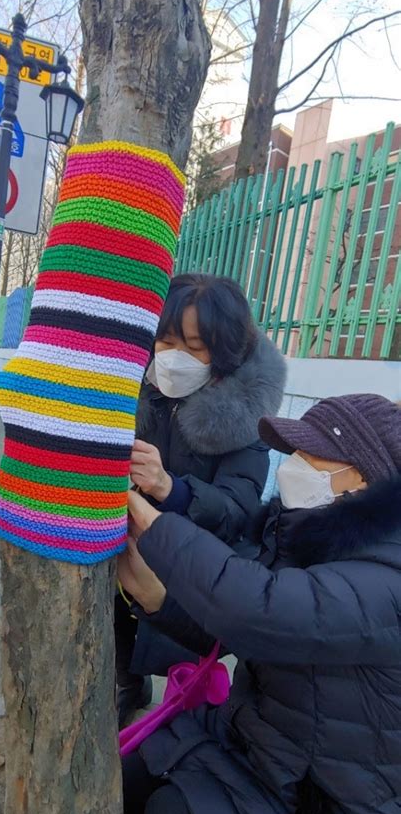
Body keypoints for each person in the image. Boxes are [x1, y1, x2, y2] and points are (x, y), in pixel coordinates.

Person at [118, 394, 401, 814]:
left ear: (359, 480)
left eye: (308, 455)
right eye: (290, 450)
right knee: (127, 777)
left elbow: (256, 607)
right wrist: (158, 600)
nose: (290, 465)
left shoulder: (388, 580)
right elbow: (235, 623)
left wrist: (153, 528)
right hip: (265, 747)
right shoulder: (311, 536)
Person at [116, 273, 286, 726]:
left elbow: (237, 510)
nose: (174, 359)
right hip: (129, 544)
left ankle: (183, 700)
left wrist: (169, 488)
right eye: (166, 341)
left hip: (197, 565)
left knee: (177, 657)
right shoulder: (137, 390)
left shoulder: (246, 419)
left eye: (193, 347)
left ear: (224, 352)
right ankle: (127, 683)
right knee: (117, 618)